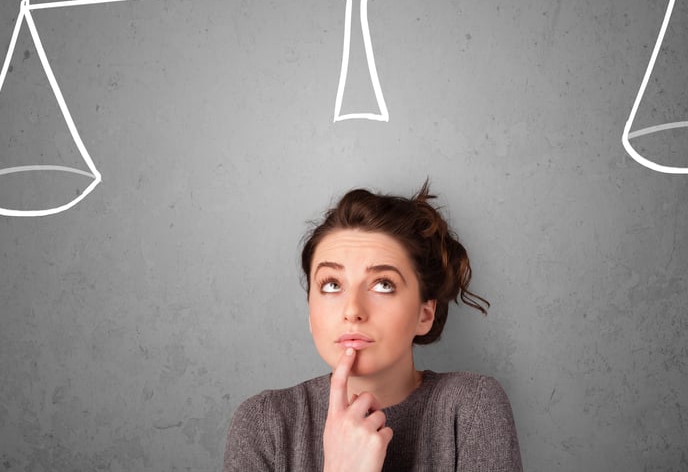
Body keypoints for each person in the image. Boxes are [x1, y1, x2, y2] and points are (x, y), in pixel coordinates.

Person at [223, 181, 524, 471]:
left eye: (382, 284)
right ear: (310, 311)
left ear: (425, 314)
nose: (353, 310)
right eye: (331, 285)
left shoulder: (470, 408)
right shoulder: (264, 422)